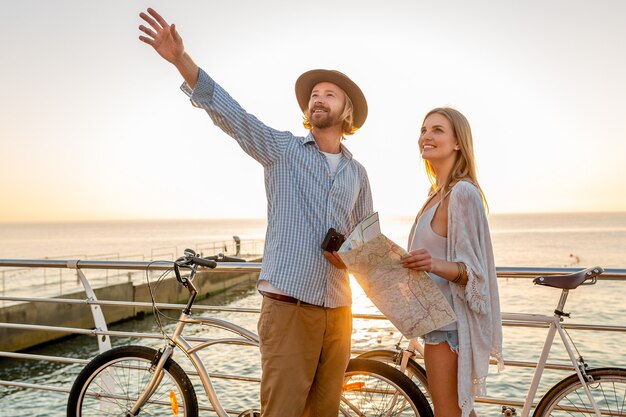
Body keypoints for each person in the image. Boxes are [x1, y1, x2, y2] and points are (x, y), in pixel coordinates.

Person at [138, 8, 374, 417]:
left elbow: (368, 239)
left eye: (329, 94)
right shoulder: (282, 150)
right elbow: (233, 116)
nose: (318, 99)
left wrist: (359, 258)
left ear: (346, 112)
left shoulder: (358, 173)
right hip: (289, 308)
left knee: (325, 413)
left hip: (339, 311)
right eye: (314, 95)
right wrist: (181, 59)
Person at [401, 107, 503, 417]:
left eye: (437, 130)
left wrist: (431, 263)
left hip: (450, 329)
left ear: (458, 142)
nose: (426, 136)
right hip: (436, 322)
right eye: (424, 129)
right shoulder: (436, 193)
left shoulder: (462, 194)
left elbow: (474, 274)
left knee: (448, 413)